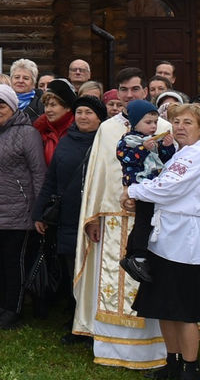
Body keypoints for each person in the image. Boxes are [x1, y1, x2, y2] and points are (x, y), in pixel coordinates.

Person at [72, 67, 168, 370]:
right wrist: (93, 218)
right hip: (112, 220)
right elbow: (97, 177)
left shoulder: (162, 126)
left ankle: (155, 350)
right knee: (114, 284)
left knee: (152, 282)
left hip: (154, 219)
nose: (130, 94)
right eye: (124, 90)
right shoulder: (108, 128)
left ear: (146, 91)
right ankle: (113, 349)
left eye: (136, 89)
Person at [124, 103, 200, 380]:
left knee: (185, 310)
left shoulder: (196, 155)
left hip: (184, 240)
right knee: (164, 306)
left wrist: (133, 190)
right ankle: (172, 362)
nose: (180, 127)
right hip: (163, 237)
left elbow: (168, 188)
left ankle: (190, 367)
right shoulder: (178, 153)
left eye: (188, 123)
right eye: (176, 122)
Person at [33, 94, 106, 344]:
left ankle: (95, 324)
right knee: (70, 270)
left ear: (100, 118)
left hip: (94, 220)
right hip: (66, 217)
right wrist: (40, 212)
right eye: (80, 112)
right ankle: (77, 321)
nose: (84, 117)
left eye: (89, 113)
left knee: (91, 272)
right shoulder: (66, 141)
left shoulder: (105, 143)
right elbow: (51, 178)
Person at [0, 83, 45, 329]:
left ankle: (13, 309)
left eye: (1, 105)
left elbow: (38, 173)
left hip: (19, 210)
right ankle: (1, 306)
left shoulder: (27, 133)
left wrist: (39, 210)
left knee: (14, 263)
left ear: (13, 107)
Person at [117, 100, 178, 283]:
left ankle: (131, 255)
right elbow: (128, 159)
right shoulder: (128, 141)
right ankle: (139, 257)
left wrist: (166, 146)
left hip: (152, 187)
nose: (153, 126)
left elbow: (166, 161)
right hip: (139, 186)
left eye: (155, 122)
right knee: (144, 221)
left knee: (145, 221)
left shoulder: (153, 141)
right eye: (148, 122)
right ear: (135, 123)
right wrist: (144, 149)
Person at [34, 78, 77, 165]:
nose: (48, 110)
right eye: (46, 105)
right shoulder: (39, 131)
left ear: (67, 107)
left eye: (53, 105)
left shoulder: (78, 130)